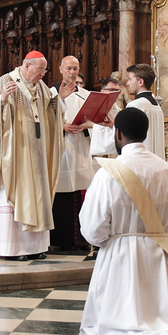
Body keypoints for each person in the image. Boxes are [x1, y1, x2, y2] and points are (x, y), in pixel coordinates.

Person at [79, 108, 168, 335]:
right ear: (146, 134)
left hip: (119, 257)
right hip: (160, 255)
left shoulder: (108, 173)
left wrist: (110, 241)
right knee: (159, 320)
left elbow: (92, 229)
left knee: (116, 327)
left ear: (117, 133)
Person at [0, 50, 73, 260]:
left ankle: (35, 248)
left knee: (37, 197)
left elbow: (52, 110)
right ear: (26, 66)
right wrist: (1, 99)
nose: (43, 74)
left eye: (45, 70)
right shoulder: (6, 80)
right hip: (15, 155)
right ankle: (12, 249)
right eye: (40, 69)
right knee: (15, 199)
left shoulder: (42, 87)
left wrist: (60, 99)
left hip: (37, 153)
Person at [53, 56, 112, 250]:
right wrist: (61, 126)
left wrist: (90, 124)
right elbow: (38, 120)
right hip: (60, 151)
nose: (72, 72)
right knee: (60, 194)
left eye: (75, 69)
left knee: (80, 192)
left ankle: (81, 239)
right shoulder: (50, 94)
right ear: (60, 69)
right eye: (68, 68)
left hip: (81, 149)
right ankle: (60, 240)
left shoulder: (87, 95)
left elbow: (97, 120)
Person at [124, 63, 164, 158]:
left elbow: (125, 136)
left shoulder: (136, 105)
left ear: (140, 82)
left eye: (130, 79)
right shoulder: (156, 105)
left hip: (140, 160)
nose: (127, 83)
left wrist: (94, 126)